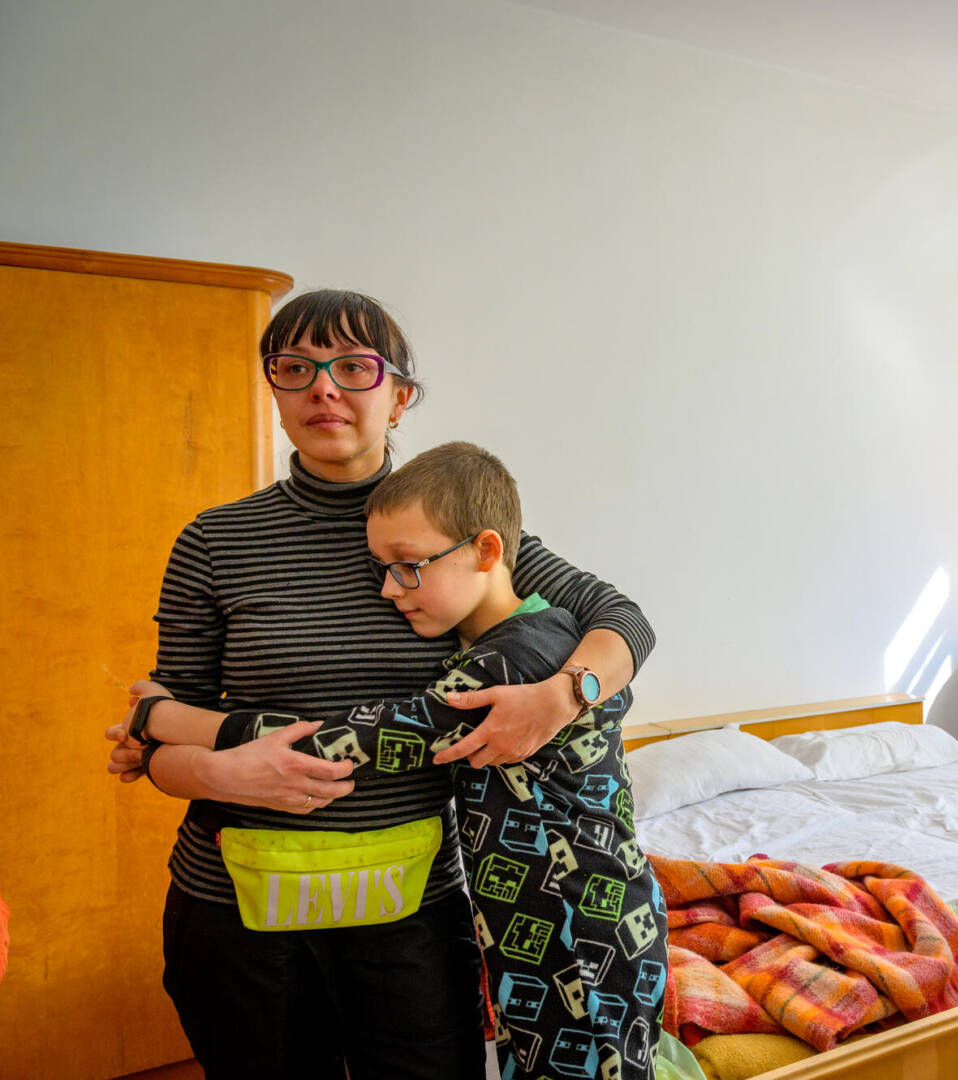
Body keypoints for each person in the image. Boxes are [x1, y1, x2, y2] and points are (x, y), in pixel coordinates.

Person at [106, 290, 655, 1079]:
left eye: (352, 368)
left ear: (398, 396)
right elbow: (153, 738)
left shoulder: (453, 524)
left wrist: (565, 696)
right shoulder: (214, 541)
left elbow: (621, 620)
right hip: (236, 908)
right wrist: (216, 765)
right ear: (274, 392)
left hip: (409, 916)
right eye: (295, 368)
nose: (322, 388)